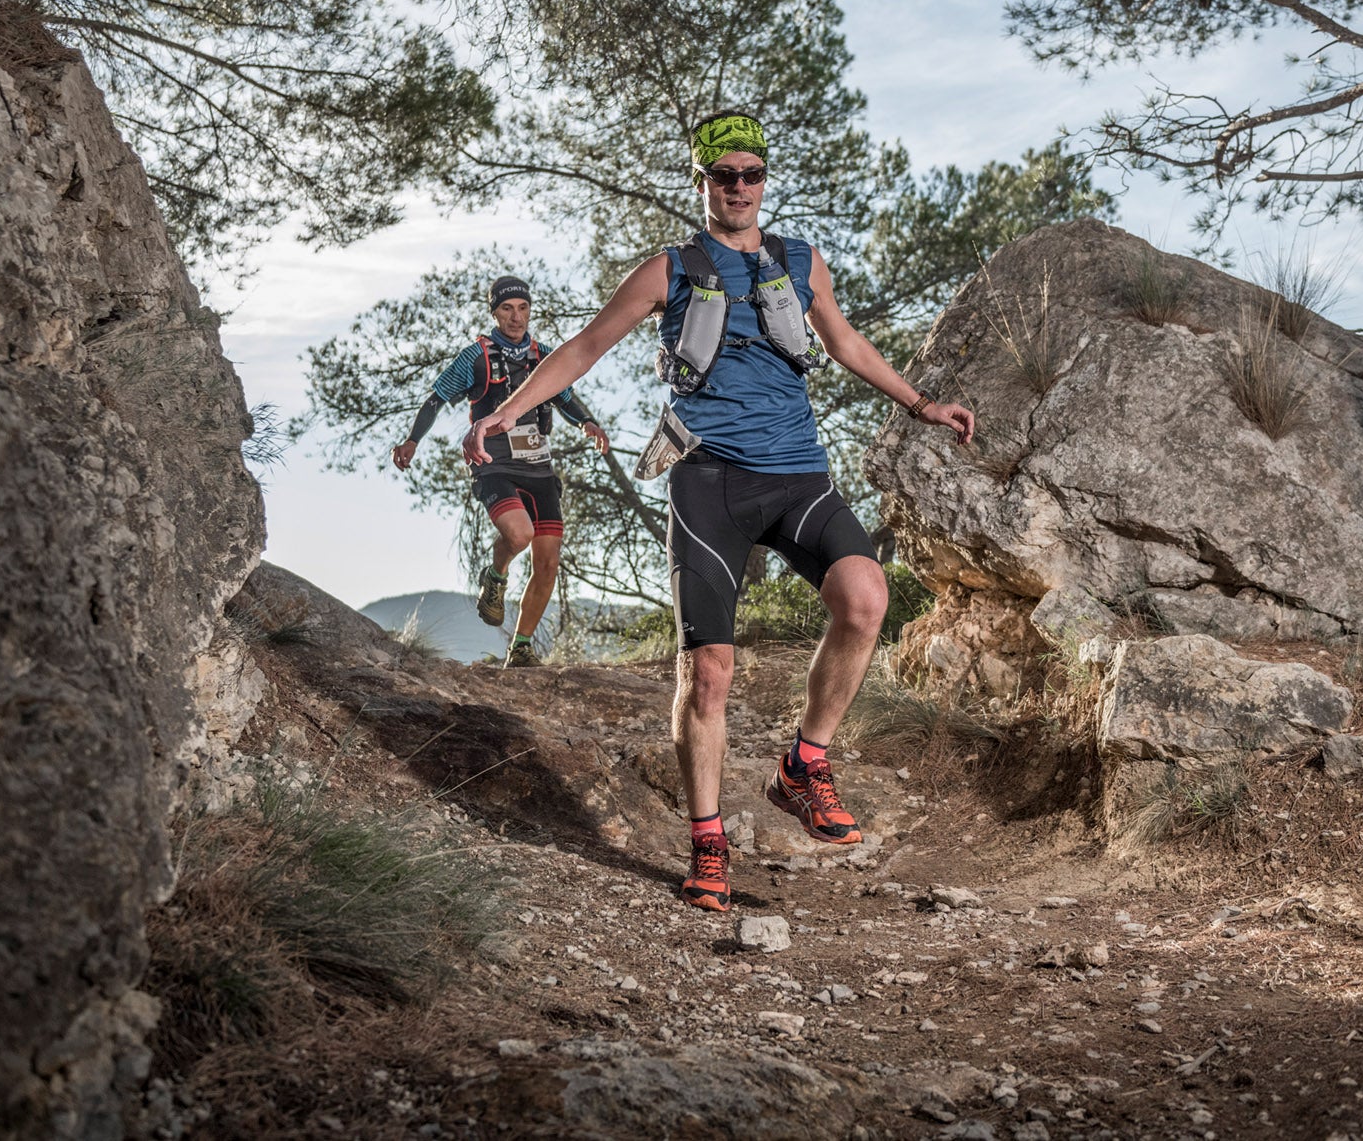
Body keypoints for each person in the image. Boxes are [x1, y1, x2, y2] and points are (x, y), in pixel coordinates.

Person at [464, 112, 975, 911]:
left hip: (798, 473)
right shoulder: (668, 268)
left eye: (751, 174)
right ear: (701, 183)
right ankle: (708, 843)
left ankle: (804, 765)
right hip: (707, 481)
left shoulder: (799, 262)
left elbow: (844, 342)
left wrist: (922, 403)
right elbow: (585, 347)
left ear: (766, 179)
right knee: (708, 673)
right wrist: (506, 412)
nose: (738, 187)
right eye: (722, 175)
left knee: (866, 596)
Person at [394, 275, 609, 667]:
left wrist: (587, 422)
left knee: (548, 563)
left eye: (523, 308)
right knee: (519, 533)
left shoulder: (544, 355)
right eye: (507, 309)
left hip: (540, 469)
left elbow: (566, 397)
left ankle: (521, 647)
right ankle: (496, 575)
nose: (516, 317)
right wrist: (412, 440)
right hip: (494, 466)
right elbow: (437, 398)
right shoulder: (475, 357)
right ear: (494, 312)